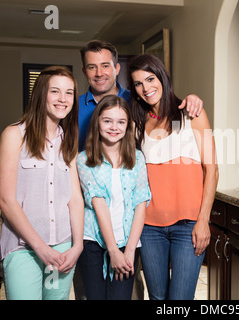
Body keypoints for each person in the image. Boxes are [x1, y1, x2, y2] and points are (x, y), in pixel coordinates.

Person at [75, 39, 204, 300]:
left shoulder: (136, 105)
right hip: (91, 225)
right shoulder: (74, 107)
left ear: (115, 68)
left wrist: (191, 98)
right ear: (84, 71)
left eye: (105, 66)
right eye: (91, 67)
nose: (99, 73)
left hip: (131, 226)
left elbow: (165, 108)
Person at [128, 54, 218, 300]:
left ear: (162, 77)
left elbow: (212, 170)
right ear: (134, 91)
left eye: (150, 79)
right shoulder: (137, 123)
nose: (146, 88)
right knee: (157, 298)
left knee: (179, 300)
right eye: (138, 84)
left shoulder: (192, 114)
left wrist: (203, 221)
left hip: (188, 225)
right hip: (148, 228)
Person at [0, 66, 84, 300]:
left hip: (63, 248)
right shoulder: (14, 135)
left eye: (69, 93)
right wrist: (41, 249)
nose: (63, 99)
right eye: (55, 91)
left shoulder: (68, 141)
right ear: (40, 94)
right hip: (23, 248)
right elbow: (6, 200)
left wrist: (77, 246)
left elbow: (75, 199)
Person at [76, 95, 151, 300]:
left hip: (127, 241)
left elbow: (140, 205)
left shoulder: (138, 159)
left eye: (121, 122)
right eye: (107, 120)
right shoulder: (84, 160)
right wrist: (112, 251)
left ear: (128, 126)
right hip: (93, 242)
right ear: (97, 122)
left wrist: (128, 251)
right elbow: (98, 205)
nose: (114, 127)